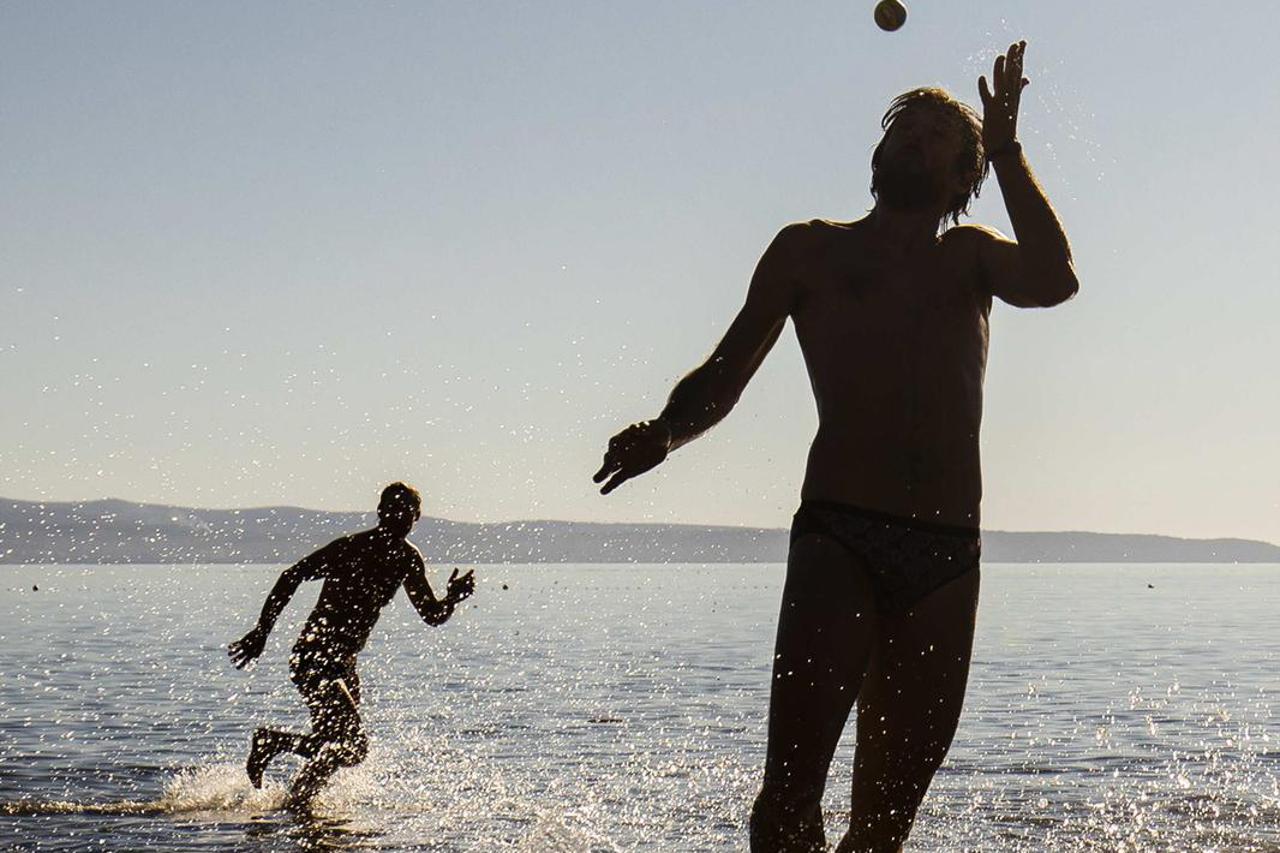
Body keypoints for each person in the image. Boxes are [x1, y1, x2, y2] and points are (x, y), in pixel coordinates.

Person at [594, 42, 1076, 852]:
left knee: (883, 830)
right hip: (839, 535)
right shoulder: (809, 250)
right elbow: (725, 369)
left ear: (964, 178)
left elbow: (1056, 277)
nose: (912, 142)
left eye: (933, 137)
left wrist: (1007, 148)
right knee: (788, 803)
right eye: (902, 132)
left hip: (947, 554)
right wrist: (667, 432)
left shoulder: (969, 259)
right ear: (877, 155)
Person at [227, 481, 475, 808]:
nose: (398, 517)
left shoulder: (407, 559)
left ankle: (298, 802)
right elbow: (292, 575)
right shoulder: (350, 548)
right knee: (354, 748)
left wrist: (452, 599)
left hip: (345, 665)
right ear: (380, 512)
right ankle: (271, 743)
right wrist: (261, 632)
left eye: (406, 512)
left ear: (417, 517)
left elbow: (430, 614)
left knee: (333, 745)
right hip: (314, 657)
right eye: (392, 509)